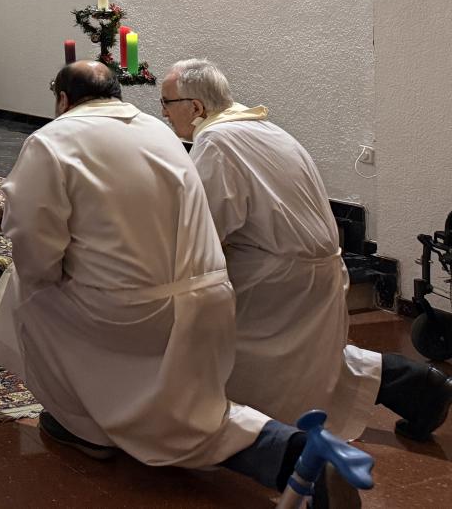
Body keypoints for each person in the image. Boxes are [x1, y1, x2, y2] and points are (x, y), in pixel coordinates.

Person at [0, 61, 359, 506]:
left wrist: (48, 277)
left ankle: (79, 420)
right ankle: (100, 415)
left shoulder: (51, 140)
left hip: (133, 310)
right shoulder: (161, 132)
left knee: (24, 291)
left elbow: (33, 238)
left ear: (63, 100)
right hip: (209, 294)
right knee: (190, 409)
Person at [161, 58, 452, 442]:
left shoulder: (217, 141)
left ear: (195, 107)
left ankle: (261, 445)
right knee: (312, 363)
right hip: (312, 270)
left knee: (233, 358)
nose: (163, 114)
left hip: (278, 280)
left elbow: (207, 229)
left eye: (166, 103)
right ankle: (418, 386)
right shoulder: (262, 128)